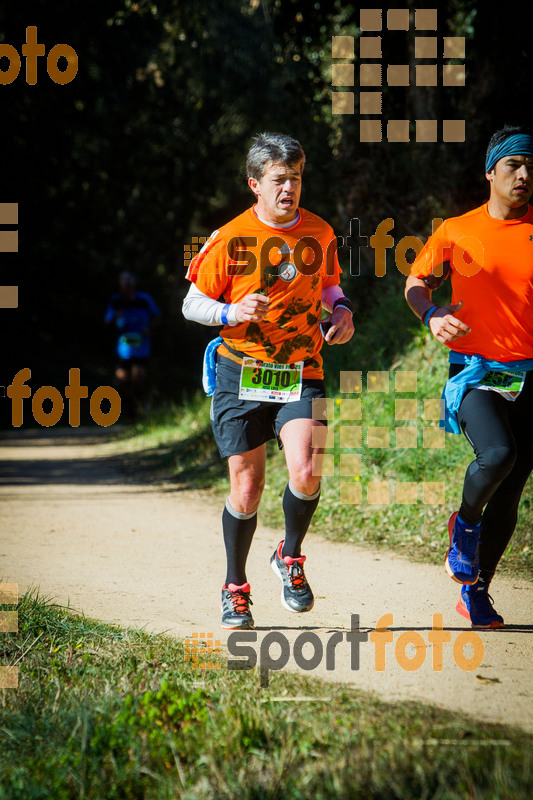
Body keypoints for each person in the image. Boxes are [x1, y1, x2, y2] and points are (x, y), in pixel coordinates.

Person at [183, 132, 355, 629]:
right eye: (280, 179)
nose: (290, 188)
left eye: (296, 178)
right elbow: (191, 304)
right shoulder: (229, 237)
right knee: (248, 485)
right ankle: (235, 586)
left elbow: (329, 285)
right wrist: (231, 309)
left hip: (302, 369)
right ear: (255, 184)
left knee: (306, 470)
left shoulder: (319, 233)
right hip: (240, 371)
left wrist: (341, 309)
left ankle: (290, 557)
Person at [405, 124, 533, 629]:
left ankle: (476, 590)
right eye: (513, 166)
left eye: (531, 168)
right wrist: (432, 314)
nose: (524, 176)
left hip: (531, 376)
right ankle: (464, 524)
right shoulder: (458, 231)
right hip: (477, 373)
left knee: (512, 490)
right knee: (498, 454)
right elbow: (417, 282)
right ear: (490, 172)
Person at [105, 271, 160, 422]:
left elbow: (156, 317)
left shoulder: (144, 300)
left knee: (139, 378)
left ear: (134, 283)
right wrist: (116, 317)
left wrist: (148, 328)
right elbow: (107, 321)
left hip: (141, 347)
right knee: (124, 379)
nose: (126, 285)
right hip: (122, 350)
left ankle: (143, 408)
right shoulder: (115, 301)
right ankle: (130, 413)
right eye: (123, 282)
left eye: (128, 282)